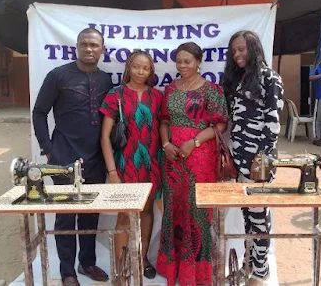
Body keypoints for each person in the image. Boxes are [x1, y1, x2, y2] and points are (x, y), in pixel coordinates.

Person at [32, 28, 111, 286]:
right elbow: (39, 112)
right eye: (84, 44)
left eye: (94, 45)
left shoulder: (106, 80)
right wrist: (48, 148)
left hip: (96, 158)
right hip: (63, 156)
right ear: (76, 47)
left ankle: (87, 263)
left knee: (90, 213)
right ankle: (68, 272)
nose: (89, 49)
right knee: (66, 214)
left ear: (102, 49)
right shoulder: (58, 76)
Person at [156, 42, 229, 286]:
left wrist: (193, 142)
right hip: (172, 159)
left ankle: (196, 272)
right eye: (179, 61)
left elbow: (220, 125)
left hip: (200, 158)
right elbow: (164, 119)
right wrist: (166, 144)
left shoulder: (212, 90)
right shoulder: (170, 89)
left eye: (187, 61)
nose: (182, 66)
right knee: (173, 209)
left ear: (198, 62)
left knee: (197, 212)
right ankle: (173, 268)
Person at [222, 30, 284, 286]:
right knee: (248, 216)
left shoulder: (270, 78)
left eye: (242, 49)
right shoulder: (238, 80)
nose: (237, 55)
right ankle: (250, 264)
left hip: (260, 161)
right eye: (234, 51)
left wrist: (262, 159)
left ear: (254, 48)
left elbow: (273, 123)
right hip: (240, 160)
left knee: (259, 217)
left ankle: (261, 271)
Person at [100, 50, 162, 279]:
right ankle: (120, 264)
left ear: (150, 71)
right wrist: (112, 172)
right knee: (125, 214)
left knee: (146, 212)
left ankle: (142, 257)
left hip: (151, 165)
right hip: (125, 164)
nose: (140, 72)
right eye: (136, 66)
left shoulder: (157, 96)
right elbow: (105, 136)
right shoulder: (115, 95)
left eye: (145, 68)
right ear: (128, 67)